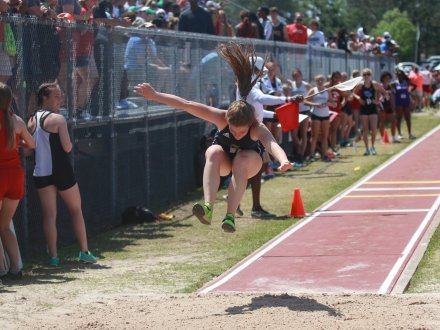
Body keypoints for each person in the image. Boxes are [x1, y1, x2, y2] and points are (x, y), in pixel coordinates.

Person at [135, 44, 293, 232]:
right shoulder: (220, 116)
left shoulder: (256, 127)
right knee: (213, 150)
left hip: (250, 162)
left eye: (241, 131)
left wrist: (283, 160)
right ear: (227, 120)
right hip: (225, 161)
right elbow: (187, 105)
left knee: (242, 159)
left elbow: (272, 144)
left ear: (249, 124)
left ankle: (230, 216)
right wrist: (155, 95)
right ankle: (208, 206)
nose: (237, 134)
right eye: (233, 130)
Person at [27, 83, 97, 266]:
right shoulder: (58, 119)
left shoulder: (31, 120)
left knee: (49, 215)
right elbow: (67, 147)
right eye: (56, 96)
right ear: (45, 98)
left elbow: (27, 151)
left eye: (61, 96)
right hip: (62, 171)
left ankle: (54, 257)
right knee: (75, 210)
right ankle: (84, 251)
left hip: (41, 173)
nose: (61, 99)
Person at [0, 83, 35, 280]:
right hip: (15, 175)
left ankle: (3, 269)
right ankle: (16, 268)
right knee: (4, 226)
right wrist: (16, 142)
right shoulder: (17, 121)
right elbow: (32, 144)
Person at [352, 68, 385, 156]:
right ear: (362, 76)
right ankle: (366, 148)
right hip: (364, 108)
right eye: (364, 74)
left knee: (374, 129)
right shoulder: (360, 85)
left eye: (368, 74)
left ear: (371, 75)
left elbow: (384, 92)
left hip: (373, 108)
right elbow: (353, 93)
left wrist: (378, 101)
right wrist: (359, 98)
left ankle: (373, 147)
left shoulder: (374, 84)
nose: (366, 76)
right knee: (365, 130)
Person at [304, 74, 333, 162]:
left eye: (321, 80)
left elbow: (331, 101)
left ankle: (325, 154)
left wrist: (329, 104)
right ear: (315, 81)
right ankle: (311, 155)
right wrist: (315, 104)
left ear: (324, 81)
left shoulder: (327, 90)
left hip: (325, 115)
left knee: (325, 136)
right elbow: (305, 101)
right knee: (314, 136)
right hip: (315, 115)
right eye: (318, 80)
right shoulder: (313, 90)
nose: (320, 82)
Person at [289, 68, 311, 165]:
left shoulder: (306, 85)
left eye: (297, 75)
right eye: (294, 75)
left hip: (304, 111)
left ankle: (301, 155)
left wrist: (307, 101)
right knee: (294, 135)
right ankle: (298, 153)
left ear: (301, 75)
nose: (296, 77)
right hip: (294, 112)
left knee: (303, 134)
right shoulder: (291, 85)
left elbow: (312, 94)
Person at [394, 70, 416, 140]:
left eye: (401, 75)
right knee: (399, 117)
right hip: (399, 101)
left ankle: (410, 133)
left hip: (406, 101)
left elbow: (414, 85)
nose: (399, 76)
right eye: (398, 75)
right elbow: (387, 86)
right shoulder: (395, 83)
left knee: (408, 117)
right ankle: (399, 133)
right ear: (397, 76)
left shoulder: (406, 82)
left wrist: (409, 91)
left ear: (403, 76)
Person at [379, 71, 398, 143]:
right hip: (382, 106)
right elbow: (378, 96)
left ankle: (393, 137)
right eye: (386, 78)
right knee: (382, 121)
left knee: (393, 121)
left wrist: (393, 105)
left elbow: (393, 96)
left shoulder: (390, 86)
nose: (388, 79)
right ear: (383, 78)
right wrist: (383, 96)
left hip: (389, 105)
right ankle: (382, 138)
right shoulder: (380, 86)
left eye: (389, 78)